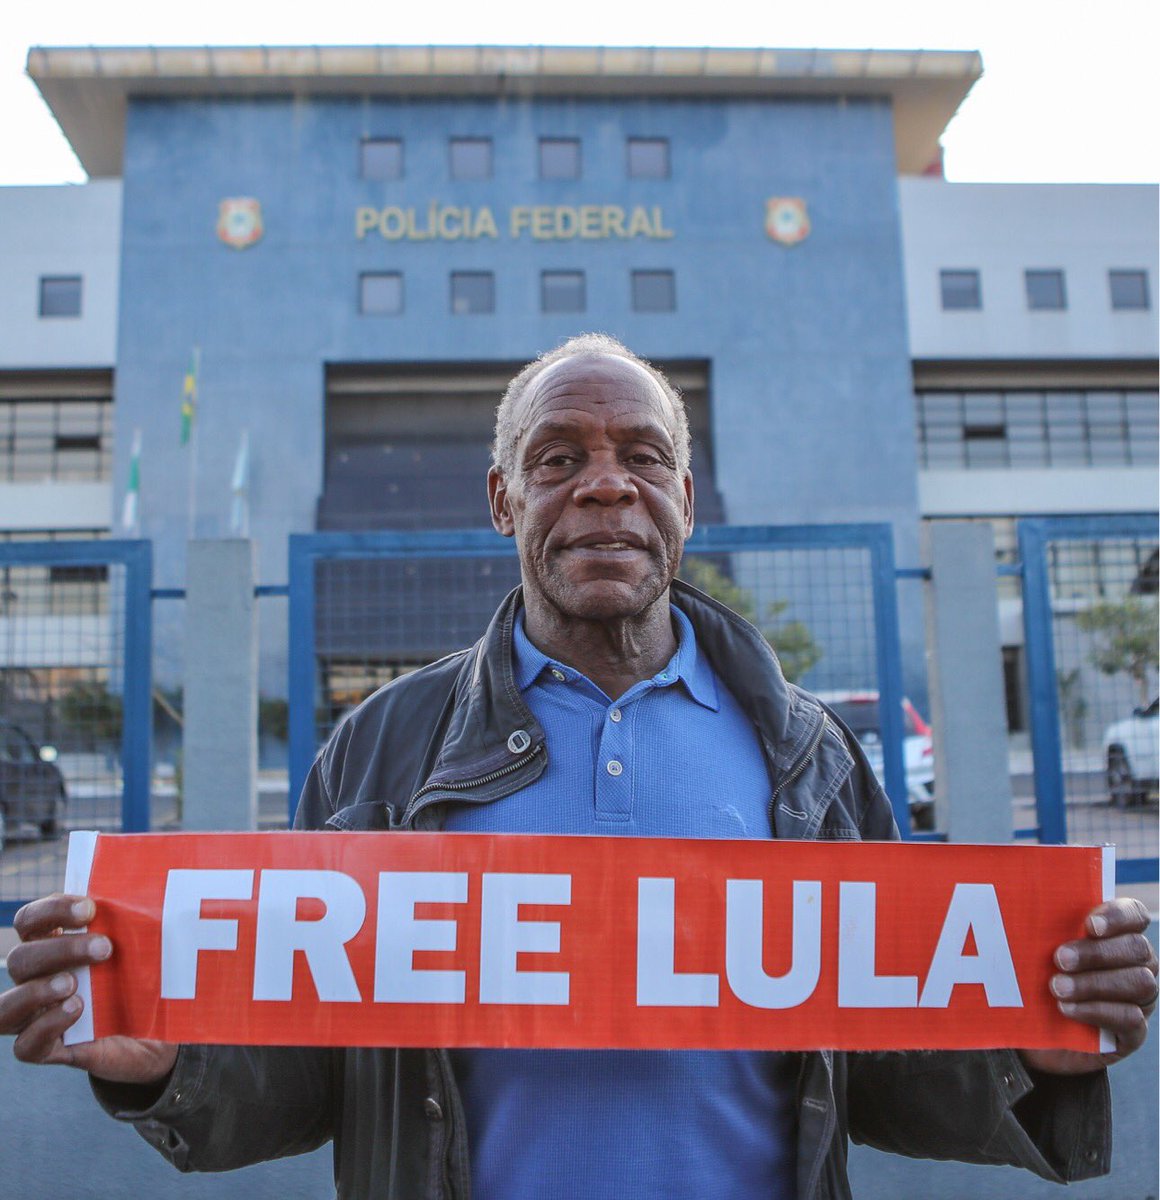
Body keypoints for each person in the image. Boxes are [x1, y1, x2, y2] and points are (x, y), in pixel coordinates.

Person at [2, 334, 1156, 1200]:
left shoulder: (805, 751)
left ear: (683, 502)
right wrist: (160, 1064)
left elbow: (877, 1068)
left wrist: (1033, 1041)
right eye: (559, 459)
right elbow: (310, 1075)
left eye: (640, 456)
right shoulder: (380, 752)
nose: (605, 484)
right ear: (504, 500)